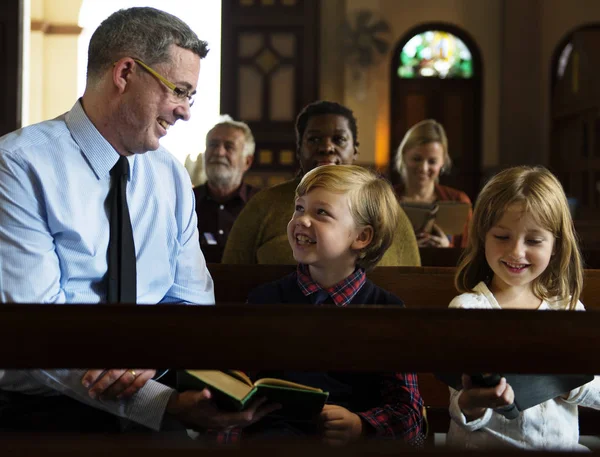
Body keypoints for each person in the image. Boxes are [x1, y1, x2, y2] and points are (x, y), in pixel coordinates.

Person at [0, 7, 276, 434]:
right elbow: (36, 331)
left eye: (191, 97)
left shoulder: (170, 176)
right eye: (179, 90)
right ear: (125, 72)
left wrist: (163, 369)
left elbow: (192, 306)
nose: (185, 111)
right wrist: (162, 404)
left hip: (162, 393)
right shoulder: (17, 166)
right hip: (44, 414)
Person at [221, 165, 424, 446]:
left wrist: (360, 426)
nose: (301, 220)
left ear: (361, 237)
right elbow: (233, 393)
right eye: (299, 208)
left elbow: (410, 414)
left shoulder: (387, 312)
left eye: (321, 213)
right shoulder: (264, 301)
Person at [446, 166, 600, 450]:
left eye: (533, 240)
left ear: (555, 245)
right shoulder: (468, 309)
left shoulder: (566, 310)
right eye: (502, 237)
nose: (516, 251)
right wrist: (476, 403)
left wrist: (569, 380)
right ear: (483, 238)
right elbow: (460, 409)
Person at [222, 100, 420, 266]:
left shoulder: (385, 210)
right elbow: (231, 278)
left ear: (355, 149)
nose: (326, 147)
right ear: (299, 149)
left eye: (339, 139)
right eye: (314, 139)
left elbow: (411, 282)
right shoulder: (264, 205)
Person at [394, 119, 472, 248]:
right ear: (404, 155)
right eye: (417, 159)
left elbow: (469, 254)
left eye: (432, 161)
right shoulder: (385, 200)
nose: (423, 168)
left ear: (442, 162)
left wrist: (447, 249)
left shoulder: (458, 201)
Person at [193, 115, 259, 263]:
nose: (219, 152)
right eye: (213, 145)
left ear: (247, 161)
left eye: (229, 146)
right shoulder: (186, 202)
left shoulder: (261, 205)